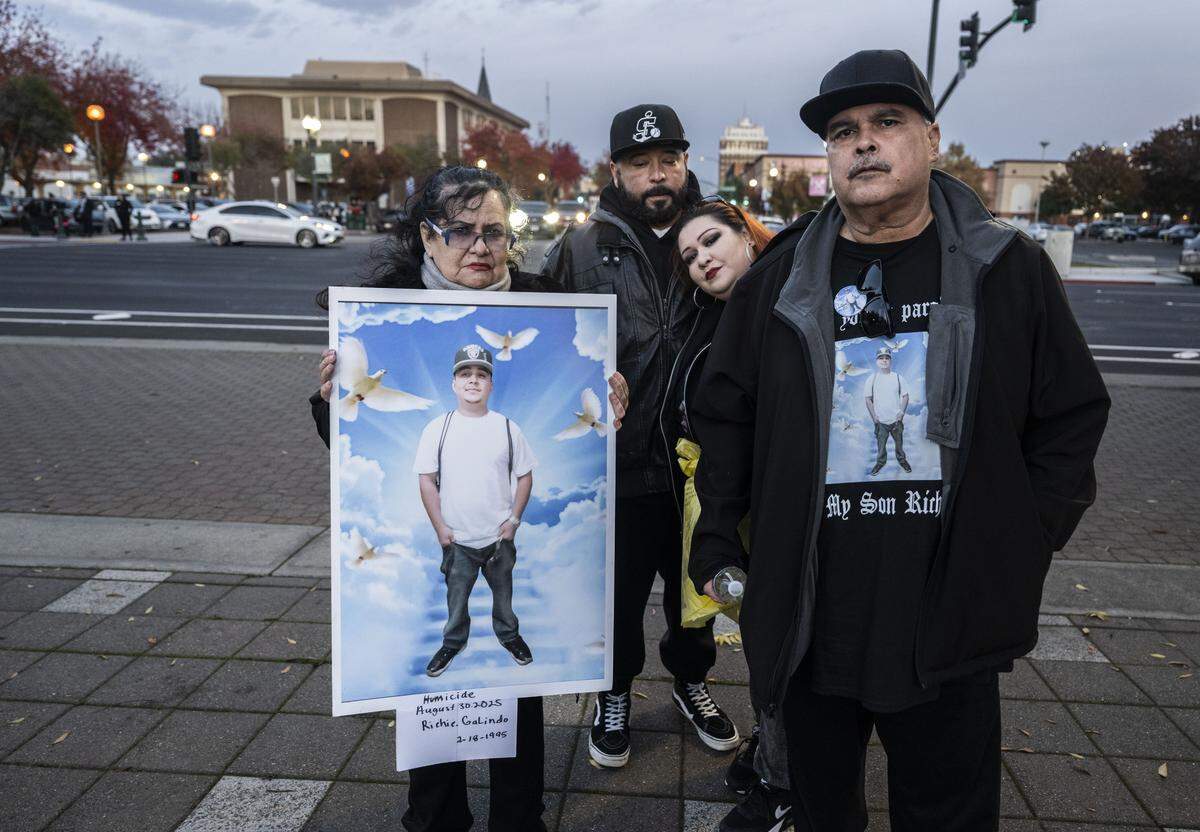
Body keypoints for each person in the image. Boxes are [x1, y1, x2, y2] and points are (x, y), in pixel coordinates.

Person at [689, 49, 1109, 831]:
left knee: (947, 814)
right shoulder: (779, 278)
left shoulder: (1005, 267)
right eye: (842, 131)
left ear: (932, 138)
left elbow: (1071, 415)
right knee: (821, 812)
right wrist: (719, 537)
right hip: (813, 613)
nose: (863, 142)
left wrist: (1022, 536)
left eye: (887, 121)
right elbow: (725, 414)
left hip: (948, 613)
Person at [311, 164, 627, 832]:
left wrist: (612, 403)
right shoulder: (380, 312)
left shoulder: (546, 303)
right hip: (452, 535)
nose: (481, 246)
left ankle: (519, 815)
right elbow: (347, 440)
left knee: (520, 683)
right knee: (433, 698)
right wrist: (330, 400)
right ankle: (435, 817)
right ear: (428, 236)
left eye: (495, 231)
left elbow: (570, 432)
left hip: (500, 533)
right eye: (461, 231)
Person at [543, 104, 739, 768]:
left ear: (685, 163)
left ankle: (691, 682)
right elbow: (542, 339)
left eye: (668, 160)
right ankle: (614, 693)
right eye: (640, 163)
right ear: (615, 170)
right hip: (617, 466)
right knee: (617, 601)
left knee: (696, 598)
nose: (657, 174)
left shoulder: (713, 234)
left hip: (700, 467)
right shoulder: (579, 247)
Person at [670, 199, 802, 832]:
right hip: (734, 509)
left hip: (785, 511)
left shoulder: (789, 307)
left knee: (784, 649)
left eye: (711, 240)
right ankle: (776, 756)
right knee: (764, 643)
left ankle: (786, 784)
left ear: (749, 236)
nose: (701, 259)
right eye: (689, 257)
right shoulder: (712, 321)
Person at [413, 344, 536, 677]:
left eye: (481, 375)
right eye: (465, 374)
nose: (473, 380)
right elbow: (426, 480)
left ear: (491, 385)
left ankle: (509, 636)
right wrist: (440, 527)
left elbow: (525, 476)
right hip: (458, 539)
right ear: (453, 383)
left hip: (498, 538)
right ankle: (452, 642)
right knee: (457, 598)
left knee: (504, 595)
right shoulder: (438, 428)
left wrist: (513, 521)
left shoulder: (508, 428)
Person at [864, 346, 910, 474]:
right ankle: (880, 463)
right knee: (881, 446)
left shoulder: (898, 377)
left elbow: (905, 396)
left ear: (890, 360)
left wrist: (901, 413)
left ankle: (902, 461)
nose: (884, 360)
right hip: (881, 421)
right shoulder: (872, 379)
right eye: (881, 358)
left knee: (899, 444)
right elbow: (868, 399)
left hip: (896, 420)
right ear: (876, 361)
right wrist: (874, 417)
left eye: (887, 358)